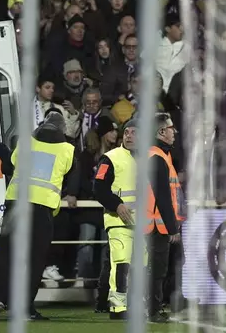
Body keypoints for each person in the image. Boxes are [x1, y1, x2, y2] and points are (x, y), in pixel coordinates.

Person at [0, 109, 80, 321]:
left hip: (16, 204)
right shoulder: (67, 150)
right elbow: (73, 180)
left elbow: (10, 168)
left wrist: (5, 155)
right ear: (63, 130)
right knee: (35, 260)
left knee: (6, 254)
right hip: (42, 208)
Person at [93, 118, 137, 320]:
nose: (129, 136)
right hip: (118, 221)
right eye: (127, 132)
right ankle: (118, 308)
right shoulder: (110, 158)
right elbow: (99, 189)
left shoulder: (151, 157)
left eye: (134, 132)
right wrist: (117, 205)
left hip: (145, 223)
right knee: (122, 263)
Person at [145, 113, 183, 323]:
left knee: (158, 269)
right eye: (170, 128)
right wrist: (172, 228)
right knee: (157, 270)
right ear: (161, 132)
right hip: (155, 225)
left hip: (153, 223)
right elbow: (163, 197)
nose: (174, 132)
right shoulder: (158, 158)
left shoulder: (160, 155)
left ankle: (153, 307)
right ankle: (152, 310)